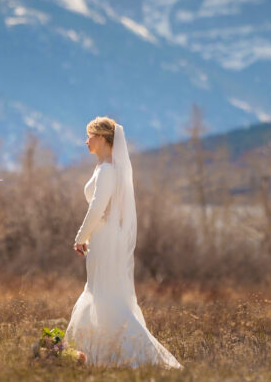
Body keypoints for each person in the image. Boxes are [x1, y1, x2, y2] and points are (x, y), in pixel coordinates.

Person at [66, 116, 181, 368]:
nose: (86, 141)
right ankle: (96, 351)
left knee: (105, 293)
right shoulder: (103, 167)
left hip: (105, 237)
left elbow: (98, 208)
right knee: (99, 290)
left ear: (104, 139)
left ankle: (128, 353)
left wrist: (80, 237)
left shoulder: (107, 170)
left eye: (90, 136)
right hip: (102, 236)